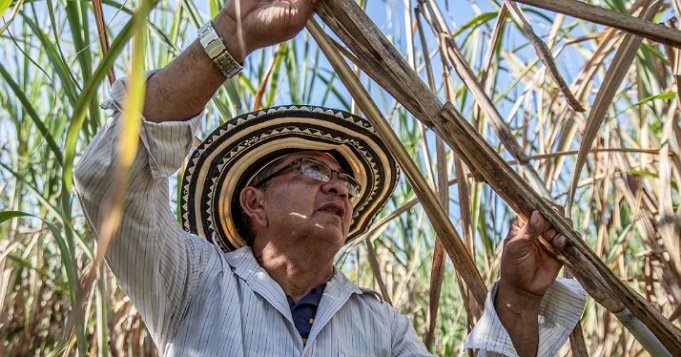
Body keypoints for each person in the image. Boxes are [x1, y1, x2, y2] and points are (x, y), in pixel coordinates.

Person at [74, 0, 585, 355]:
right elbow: (108, 181)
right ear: (255, 202)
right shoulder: (191, 281)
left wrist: (518, 298)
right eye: (314, 170)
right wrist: (231, 34)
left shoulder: (380, 328)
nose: (339, 186)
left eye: (345, 181)